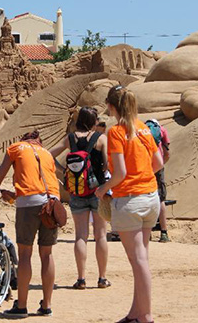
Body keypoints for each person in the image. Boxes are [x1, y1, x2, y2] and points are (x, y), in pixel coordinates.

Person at [95, 85, 164, 323]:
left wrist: (103, 188)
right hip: (150, 197)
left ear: (111, 106)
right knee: (141, 258)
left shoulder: (116, 131)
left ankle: (145, 316)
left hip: (129, 200)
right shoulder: (144, 128)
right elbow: (158, 163)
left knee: (139, 261)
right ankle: (136, 313)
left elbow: (120, 172)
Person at [0, 130, 58, 318]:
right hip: (53, 204)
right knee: (47, 254)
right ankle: (47, 305)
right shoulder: (47, 153)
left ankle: (22, 305)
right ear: (38, 141)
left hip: (29, 204)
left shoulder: (16, 148)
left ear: (24, 140)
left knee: (25, 253)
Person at [49, 106, 111, 290]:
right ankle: (102, 278)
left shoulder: (70, 138)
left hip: (76, 191)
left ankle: (81, 279)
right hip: (98, 191)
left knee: (80, 236)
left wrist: (63, 171)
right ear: (92, 122)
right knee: (100, 235)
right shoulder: (101, 139)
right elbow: (107, 165)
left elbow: (49, 154)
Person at [146, 119, 171, 243]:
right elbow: (167, 154)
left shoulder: (142, 130)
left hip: (145, 166)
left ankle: (147, 232)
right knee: (160, 199)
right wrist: (161, 165)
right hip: (158, 166)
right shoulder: (162, 130)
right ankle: (164, 232)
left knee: (146, 197)